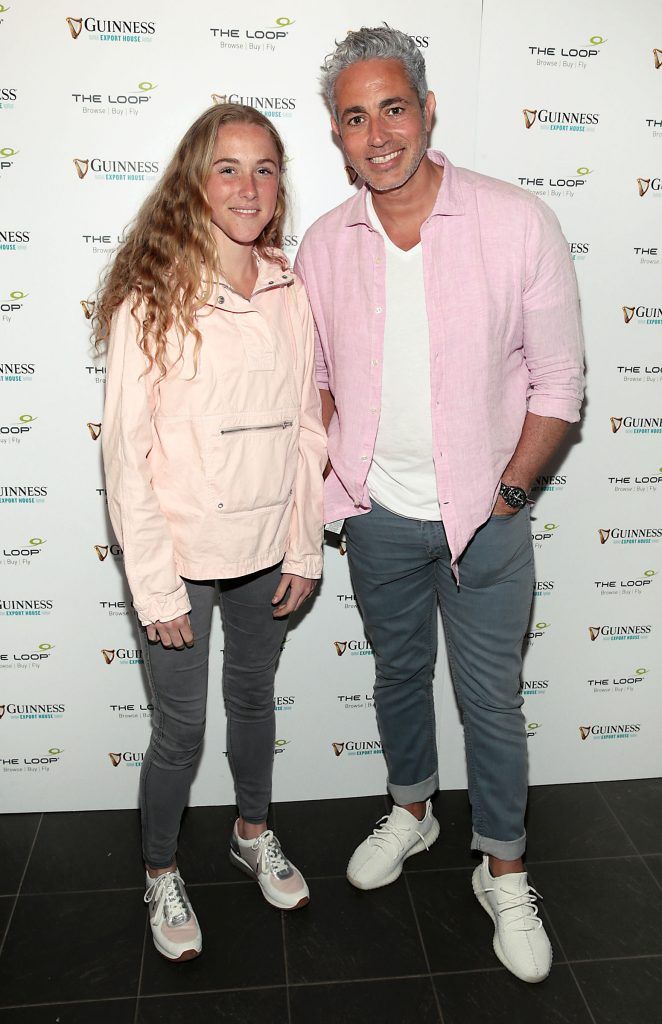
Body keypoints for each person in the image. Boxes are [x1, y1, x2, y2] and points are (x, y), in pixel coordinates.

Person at [295, 26, 584, 984]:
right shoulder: (322, 245)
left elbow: (558, 382)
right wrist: (350, 477)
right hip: (377, 518)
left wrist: (508, 492)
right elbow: (321, 376)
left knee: (493, 704)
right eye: (354, 116)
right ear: (336, 135)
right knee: (396, 677)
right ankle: (414, 811)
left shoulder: (514, 222)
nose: (376, 132)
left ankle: (503, 868)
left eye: (392, 107)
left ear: (427, 112)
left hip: (487, 522)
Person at [96, 103, 326, 962]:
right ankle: (160, 870)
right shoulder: (150, 299)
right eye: (228, 167)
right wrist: (155, 586)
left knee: (255, 700)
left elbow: (308, 428)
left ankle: (250, 831)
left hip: (269, 548)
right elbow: (127, 456)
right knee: (181, 730)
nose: (248, 186)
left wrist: (304, 544)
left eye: (264, 168)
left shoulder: (290, 288)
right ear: (196, 178)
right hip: (184, 557)